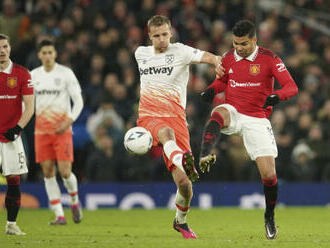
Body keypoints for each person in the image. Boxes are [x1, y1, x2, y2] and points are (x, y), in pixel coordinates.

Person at [199, 20, 298, 240]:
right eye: (235, 44)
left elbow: (292, 87)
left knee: (269, 175)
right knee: (218, 112)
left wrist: (277, 96)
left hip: (257, 118)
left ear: (254, 39)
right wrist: (210, 90)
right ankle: (205, 153)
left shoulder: (270, 59)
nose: (239, 48)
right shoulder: (228, 57)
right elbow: (222, 82)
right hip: (234, 110)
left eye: (243, 43)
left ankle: (269, 216)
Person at [134, 15, 224, 239]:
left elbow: (207, 57)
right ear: (149, 36)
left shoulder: (181, 51)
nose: (162, 39)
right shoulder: (141, 54)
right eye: (157, 36)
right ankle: (182, 159)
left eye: (165, 34)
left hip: (176, 118)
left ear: (170, 32)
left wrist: (218, 63)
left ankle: (180, 221)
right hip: (149, 116)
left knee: (184, 184)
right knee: (166, 134)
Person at [31, 39, 84, 225]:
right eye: (44, 53)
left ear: (55, 54)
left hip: (62, 129)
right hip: (41, 132)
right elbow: (27, 104)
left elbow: (78, 101)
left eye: (50, 52)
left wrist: (69, 121)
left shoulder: (65, 74)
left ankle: (75, 201)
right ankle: (59, 215)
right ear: (39, 55)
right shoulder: (33, 76)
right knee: (47, 172)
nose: (47, 56)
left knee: (65, 171)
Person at [0, 33, 34, 235]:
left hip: (12, 136)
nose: (1, 51)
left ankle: (11, 225)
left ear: (10, 48)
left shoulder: (22, 74)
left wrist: (18, 128)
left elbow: (30, 107)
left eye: (4, 47)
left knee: (14, 179)